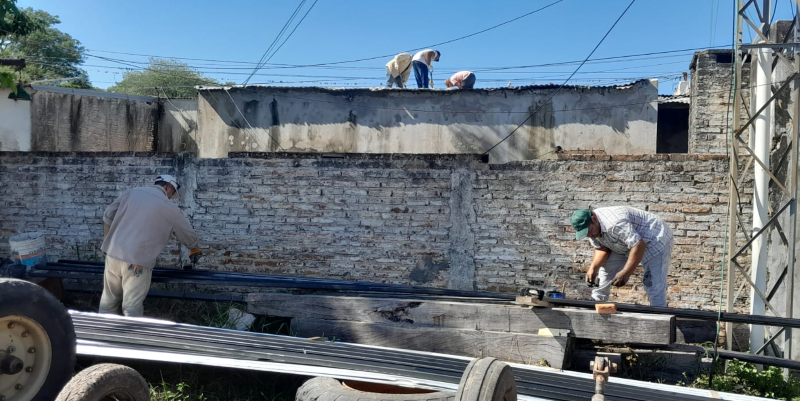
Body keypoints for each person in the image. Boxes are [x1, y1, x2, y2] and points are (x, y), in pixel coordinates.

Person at [99, 174, 202, 317]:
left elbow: (107, 215)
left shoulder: (131, 193)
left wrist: (108, 242)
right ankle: (131, 332)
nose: (171, 197)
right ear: (168, 187)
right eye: (172, 193)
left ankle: (102, 329)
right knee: (131, 306)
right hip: (138, 261)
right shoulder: (169, 207)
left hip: (113, 254)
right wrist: (194, 248)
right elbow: (186, 233)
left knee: (108, 301)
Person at [569, 206, 673, 307]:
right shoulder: (592, 230)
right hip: (625, 241)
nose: (589, 235)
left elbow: (638, 245)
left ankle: (658, 310)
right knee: (606, 268)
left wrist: (626, 272)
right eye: (585, 233)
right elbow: (601, 249)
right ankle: (597, 301)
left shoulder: (615, 223)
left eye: (589, 231)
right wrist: (593, 268)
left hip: (655, 237)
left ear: (594, 219)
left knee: (652, 281)